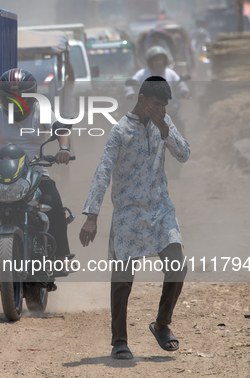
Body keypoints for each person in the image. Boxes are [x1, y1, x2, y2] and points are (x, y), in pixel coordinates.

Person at [79, 76, 189, 360]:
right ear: (141, 99)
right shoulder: (119, 131)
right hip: (128, 212)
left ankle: (162, 324)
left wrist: (164, 126)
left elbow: (184, 154)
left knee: (177, 264)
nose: (160, 110)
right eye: (155, 105)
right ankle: (119, 341)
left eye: (164, 106)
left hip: (161, 210)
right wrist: (91, 216)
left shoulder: (164, 125)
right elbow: (103, 173)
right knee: (123, 279)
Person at [0, 68, 72, 279]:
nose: (15, 100)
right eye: (10, 96)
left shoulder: (42, 111)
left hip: (35, 173)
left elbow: (62, 131)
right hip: (3, 174)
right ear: (2, 96)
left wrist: (64, 149)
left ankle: (61, 256)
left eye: (20, 95)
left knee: (55, 205)